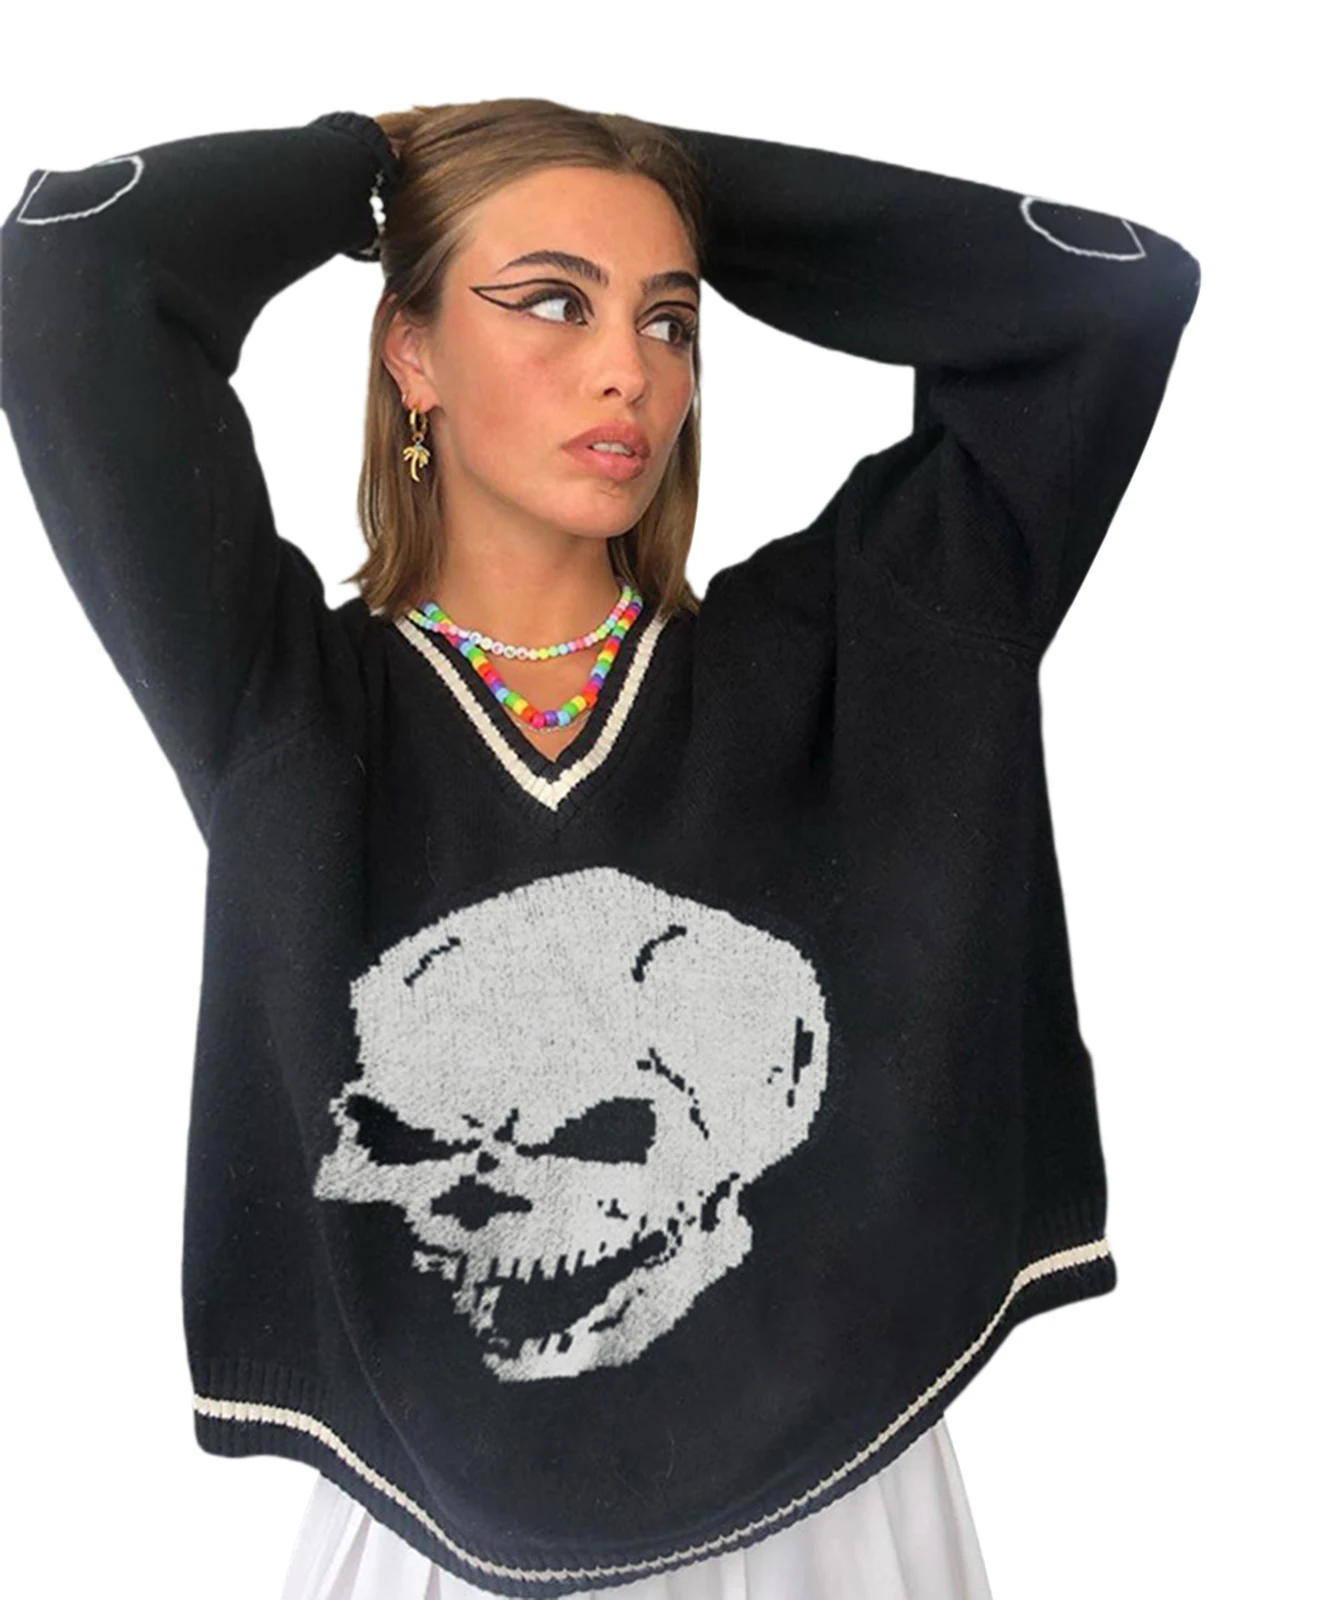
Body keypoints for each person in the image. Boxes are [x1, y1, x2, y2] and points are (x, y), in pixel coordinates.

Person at [1, 97, 1199, 1599]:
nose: (630, 366)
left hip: (842, 1515)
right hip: (425, 1538)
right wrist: (371, 161)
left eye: (671, 320)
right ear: (412, 351)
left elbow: (1110, 298)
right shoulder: (291, 714)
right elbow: (72, 269)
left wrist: (665, 180)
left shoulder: (850, 657)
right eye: (553, 302)